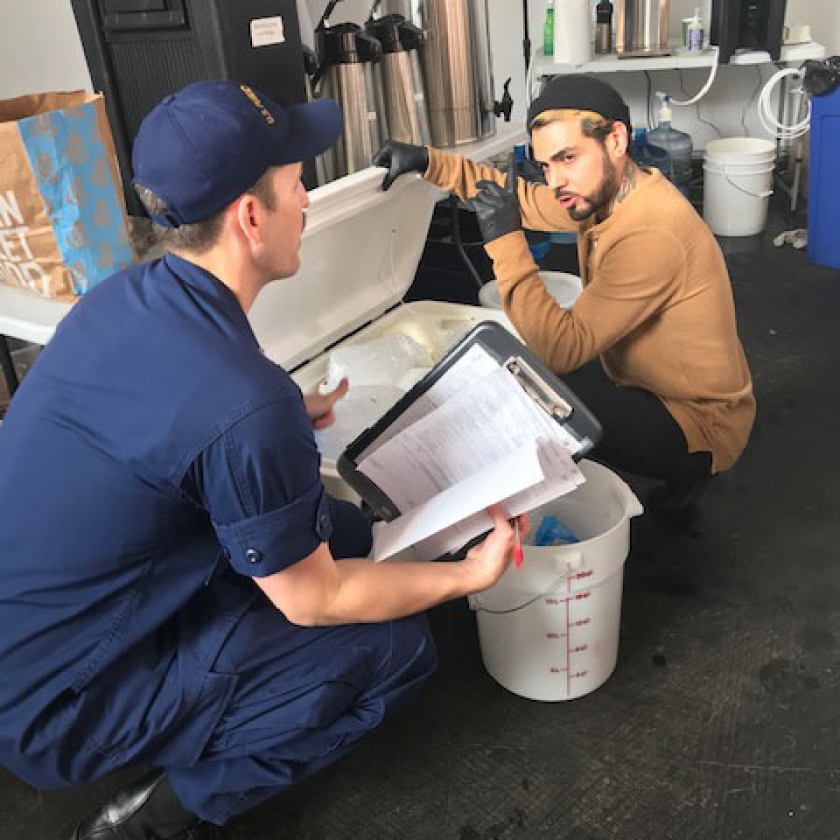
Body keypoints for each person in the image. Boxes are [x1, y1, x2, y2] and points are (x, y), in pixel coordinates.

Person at [0, 81, 524, 840]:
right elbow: (313, 602)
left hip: (31, 641)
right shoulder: (242, 405)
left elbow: (181, 409)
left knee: (345, 532)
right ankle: (153, 817)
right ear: (251, 217)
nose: (307, 198)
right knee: (397, 649)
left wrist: (275, 410)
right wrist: (466, 578)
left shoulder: (126, 297)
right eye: (295, 183)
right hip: (65, 707)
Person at [374, 75, 755, 517]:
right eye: (546, 166)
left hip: (700, 420)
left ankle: (681, 472)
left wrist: (504, 239)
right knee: (532, 373)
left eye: (567, 158)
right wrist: (427, 161)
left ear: (616, 139)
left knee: (534, 394)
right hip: (646, 383)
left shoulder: (653, 230)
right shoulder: (609, 190)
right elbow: (511, 195)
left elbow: (559, 349)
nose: (556, 181)